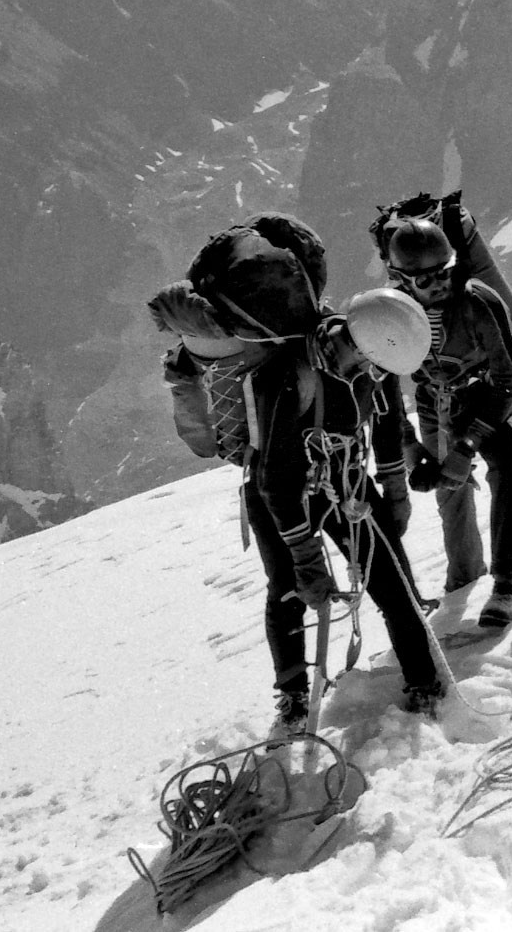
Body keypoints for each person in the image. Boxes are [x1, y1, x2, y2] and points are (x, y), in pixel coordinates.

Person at [152, 251, 446, 738]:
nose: (375, 372)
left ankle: (424, 680)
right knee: (289, 590)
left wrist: (394, 490)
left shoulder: (373, 359)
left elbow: (390, 423)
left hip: (346, 484)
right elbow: (274, 480)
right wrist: (308, 556)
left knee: (393, 581)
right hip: (283, 496)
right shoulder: (289, 376)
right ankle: (292, 695)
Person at [383, 218, 512, 628]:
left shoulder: (478, 302)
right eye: (424, 278)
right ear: (401, 278)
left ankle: (508, 580)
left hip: (491, 398)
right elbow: (381, 388)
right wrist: (411, 447)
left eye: (443, 273)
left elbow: (511, 380)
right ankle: (464, 578)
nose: (437, 284)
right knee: (450, 492)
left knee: (508, 464)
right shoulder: (390, 314)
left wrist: (467, 446)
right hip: (438, 404)